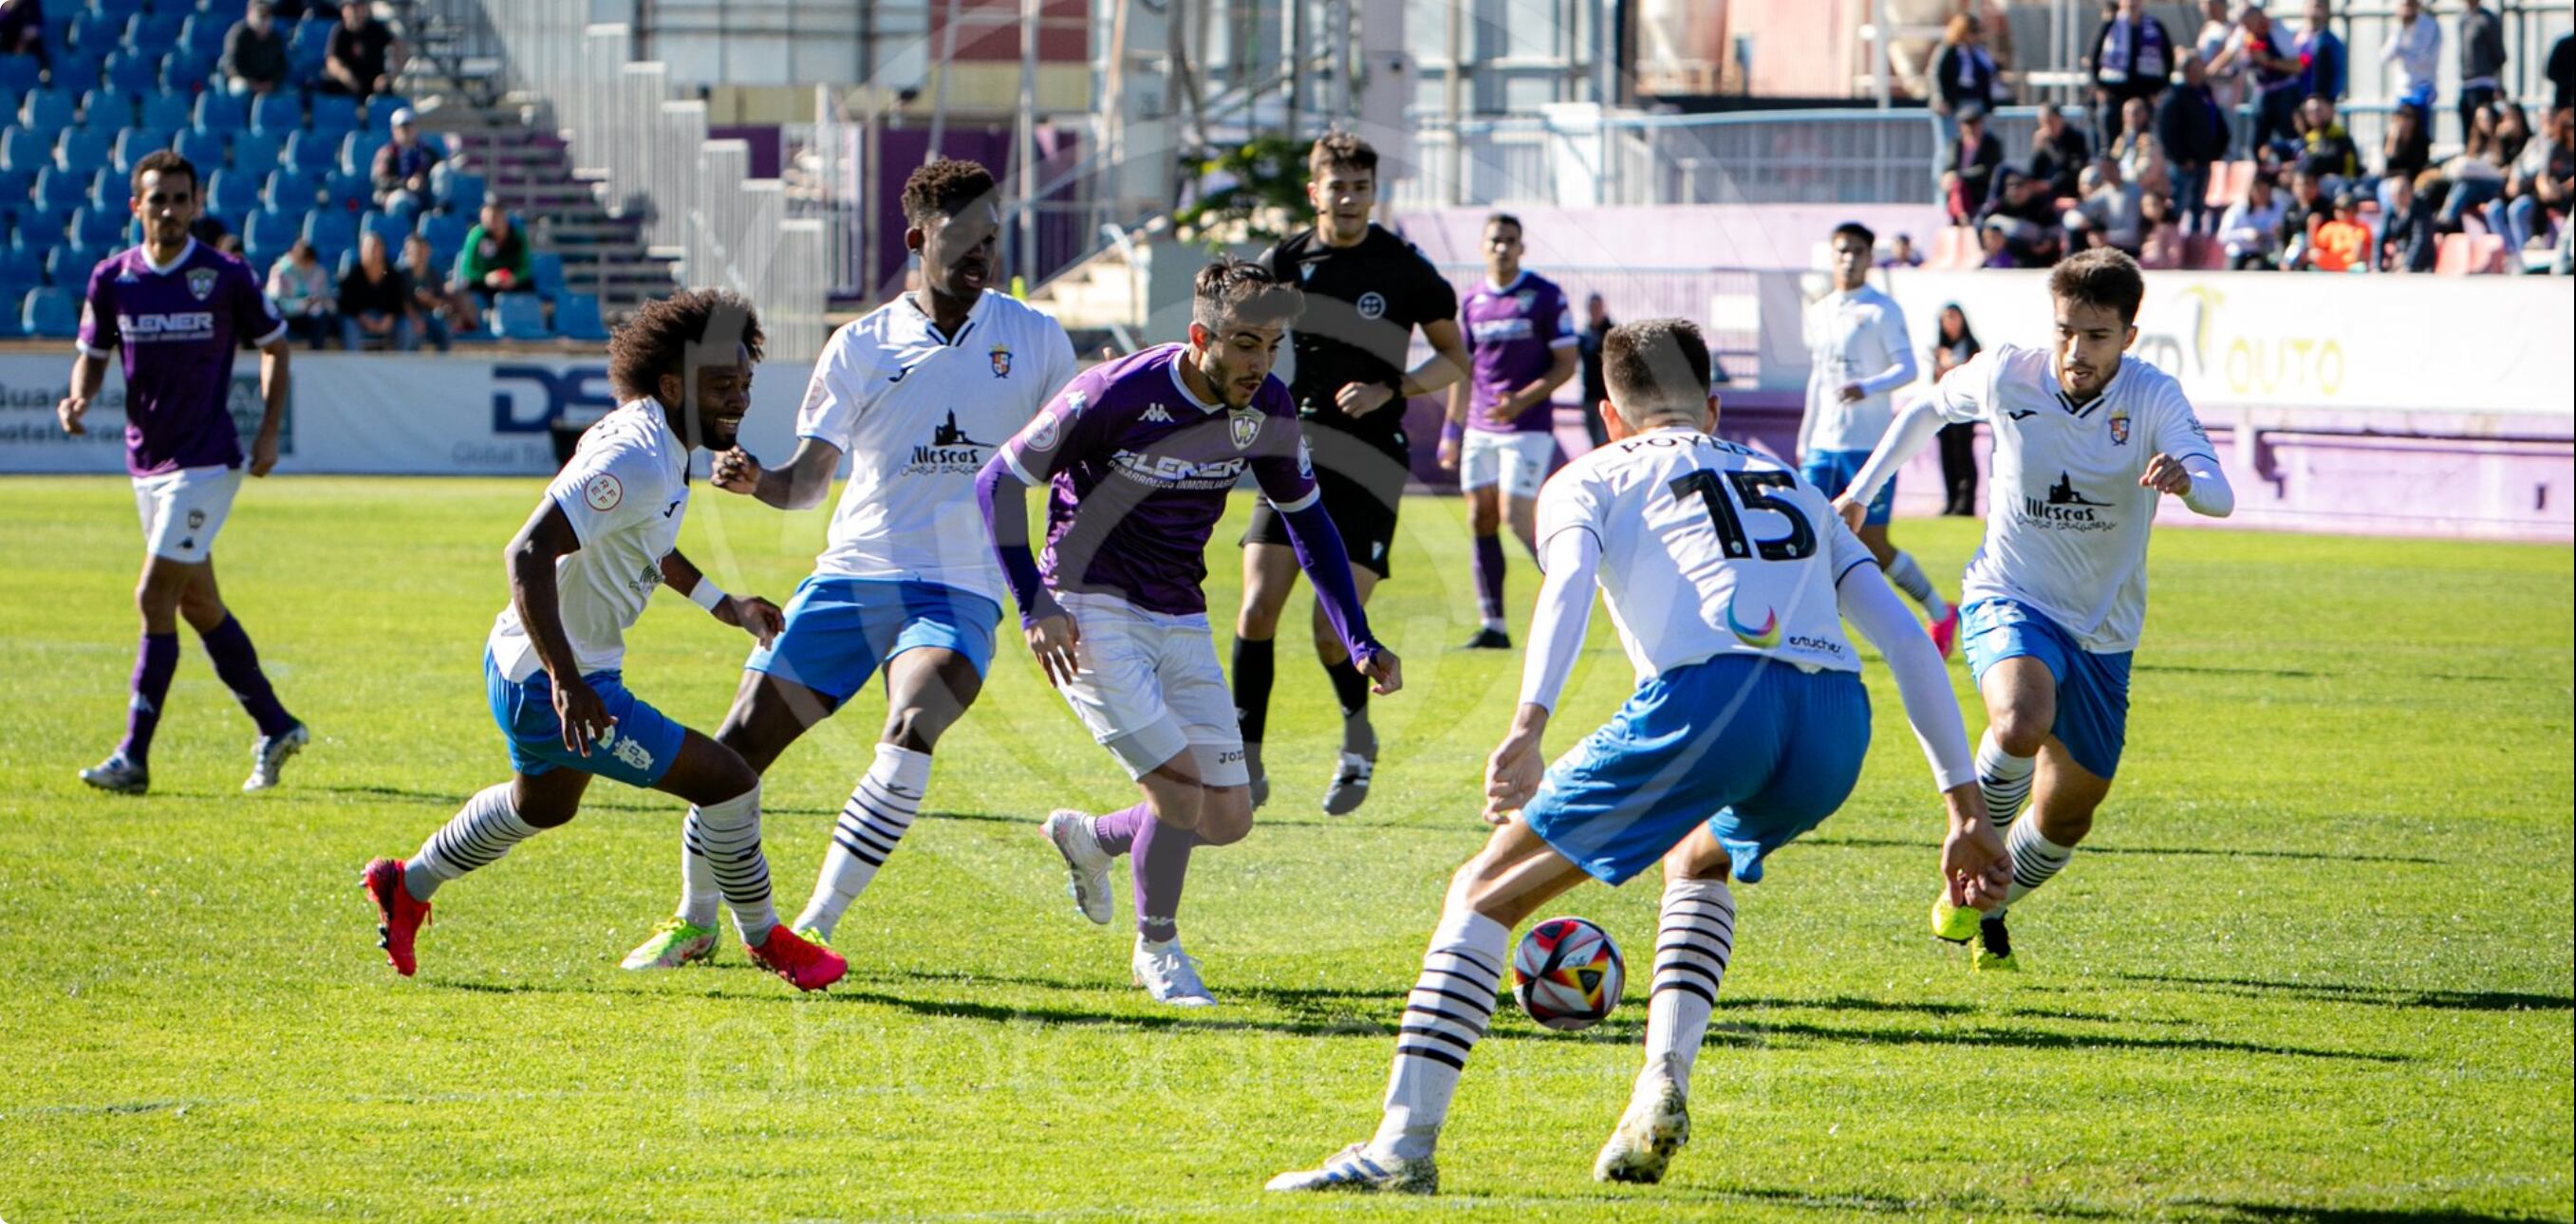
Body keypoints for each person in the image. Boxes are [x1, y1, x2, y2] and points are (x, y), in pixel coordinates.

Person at [1265, 318, 2002, 1196]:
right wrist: (1965, 812)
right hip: (1836, 723)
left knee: (1482, 891)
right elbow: (1911, 643)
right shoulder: (1793, 484)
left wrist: (1530, 723)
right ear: (1715, 408)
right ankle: (1662, 1082)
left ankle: (1401, 1148)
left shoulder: (1591, 476)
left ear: (1609, 415)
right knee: (1699, 854)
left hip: (1710, 703)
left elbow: (1569, 587)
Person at [615, 159, 1077, 972]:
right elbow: (807, 483)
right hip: (853, 575)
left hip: (962, 586)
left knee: (911, 726)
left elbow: (1071, 466)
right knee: (731, 753)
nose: (981, 252)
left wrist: (1054, 587)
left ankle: (815, 923)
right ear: (917, 239)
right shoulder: (860, 344)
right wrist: (761, 483)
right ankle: (695, 920)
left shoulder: (1037, 339)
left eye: (991, 237)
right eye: (961, 236)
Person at [359, 289, 849, 994]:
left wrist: (724, 604)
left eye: (744, 382)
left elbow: (642, 541)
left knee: (544, 806)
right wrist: (567, 681)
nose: (739, 399)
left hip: (521, 662)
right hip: (555, 681)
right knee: (729, 782)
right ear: (673, 384)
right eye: (722, 385)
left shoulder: (657, 438)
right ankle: (767, 938)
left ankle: (408, 883)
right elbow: (527, 551)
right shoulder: (640, 456)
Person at [980, 258, 1401, 1005]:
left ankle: (1091, 838)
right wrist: (1035, 604)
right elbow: (998, 481)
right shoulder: (1114, 392)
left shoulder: (1266, 406)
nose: (1260, 363)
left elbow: (1308, 522)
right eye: (1244, 344)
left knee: (1227, 816)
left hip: (1179, 613)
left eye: (1272, 345)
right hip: (1087, 608)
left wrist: (1358, 634)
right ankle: (1159, 951)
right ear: (1200, 335)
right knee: (1179, 794)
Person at [1833, 249, 2236, 973]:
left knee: (2067, 816)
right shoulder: (2008, 372)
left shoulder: (2152, 396)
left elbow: (2220, 491)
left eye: (2096, 336)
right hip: (2008, 593)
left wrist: (2185, 481)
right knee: (2020, 719)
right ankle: (1969, 830)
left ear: (2129, 337)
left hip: (2106, 631)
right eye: (2065, 331)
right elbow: (1927, 406)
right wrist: (1863, 491)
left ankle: (1989, 902)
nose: (2075, 352)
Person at [1234, 132, 1467, 816]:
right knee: (1254, 608)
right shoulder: (1285, 261)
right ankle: (1245, 760)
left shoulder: (1401, 266)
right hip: (1291, 450)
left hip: (1370, 458)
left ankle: (1358, 739)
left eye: (1361, 188)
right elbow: (1234, 330)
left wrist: (1391, 388)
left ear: (1374, 193)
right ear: (1315, 192)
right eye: (1337, 187)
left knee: (1332, 627)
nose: (1349, 199)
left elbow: (1456, 359)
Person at [60, 151, 304, 797]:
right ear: (136, 206)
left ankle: (133, 758)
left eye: (178, 198)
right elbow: (92, 353)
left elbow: (275, 346)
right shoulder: (114, 278)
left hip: (206, 462)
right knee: (197, 603)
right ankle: (276, 725)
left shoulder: (223, 275)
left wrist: (269, 430)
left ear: (195, 204)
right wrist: (79, 395)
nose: (167, 210)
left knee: (151, 597)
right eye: (155, 199)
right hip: (146, 462)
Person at [1801, 222, 1956, 651]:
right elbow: (1819, 379)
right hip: (1821, 446)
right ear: (1831, 257)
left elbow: (1907, 369)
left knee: (1872, 541)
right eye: (1841, 251)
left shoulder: (1882, 310)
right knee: (1806, 534)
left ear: (1870, 258)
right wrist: (1804, 439)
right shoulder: (1820, 310)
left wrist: (1866, 386)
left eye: (1857, 251)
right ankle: (1811, 632)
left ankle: (1940, 612)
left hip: (1867, 448)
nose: (1848, 259)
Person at [1439, 213, 1577, 649]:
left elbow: (1567, 363)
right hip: (1480, 426)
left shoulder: (1545, 297)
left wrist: (1523, 400)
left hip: (1528, 425)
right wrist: (1451, 429)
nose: (1502, 248)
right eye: (1495, 240)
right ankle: (1493, 625)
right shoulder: (1472, 301)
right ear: (1483, 246)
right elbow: (1463, 368)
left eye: (1510, 241)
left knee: (1516, 517)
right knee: (1479, 516)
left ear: (1522, 248)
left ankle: (1573, 592)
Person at [2159, 52, 2230, 234]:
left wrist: (2218, 148)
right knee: (2179, 202)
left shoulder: (2204, 92)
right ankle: (2172, 241)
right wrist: (2182, 158)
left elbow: (2216, 121)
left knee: (2198, 204)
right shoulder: (2176, 96)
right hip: (2185, 163)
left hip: (2204, 159)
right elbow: (2168, 131)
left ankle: (2195, 242)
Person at [2089, 0, 2175, 144]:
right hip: (2116, 93)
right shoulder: (2110, 26)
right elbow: (2094, 58)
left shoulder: (2155, 27)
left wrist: (2160, 89)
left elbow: (2168, 59)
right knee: (2110, 131)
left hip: (2145, 94)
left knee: (2148, 138)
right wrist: (2100, 87)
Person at [1931, 304, 1983, 516]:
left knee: (1964, 456)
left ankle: (1966, 503)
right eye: (1945, 318)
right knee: (1947, 456)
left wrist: (1949, 365)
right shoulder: (1941, 347)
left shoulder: (1970, 346)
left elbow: (1974, 376)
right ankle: (1951, 500)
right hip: (1944, 409)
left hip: (1965, 410)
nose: (1949, 322)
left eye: (1953, 317)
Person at [2236, 5, 2307, 156]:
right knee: (2256, 142)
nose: (2247, 27)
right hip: (2262, 92)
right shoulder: (2247, 36)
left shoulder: (2278, 33)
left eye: (2250, 23)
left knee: (2289, 137)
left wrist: (2270, 62)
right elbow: (2231, 54)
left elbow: (2300, 64)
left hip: (2284, 92)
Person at [335, 231, 416, 351]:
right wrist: (363, 319)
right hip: (359, 318)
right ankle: (353, 363)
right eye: (371, 248)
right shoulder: (352, 274)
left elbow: (398, 300)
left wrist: (389, 318)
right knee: (349, 325)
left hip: (385, 318)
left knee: (405, 327)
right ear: (362, 250)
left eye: (378, 247)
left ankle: (401, 364)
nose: (375, 252)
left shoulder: (392, 274)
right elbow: (345, 303)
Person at [2380, 0, 2439, 136]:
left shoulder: (2430, 26)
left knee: (2420, 133)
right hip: (2402, 90)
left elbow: (2426, 59)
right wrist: (2401, 29)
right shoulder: (2397, 28)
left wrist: (2403, 53)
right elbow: (2385, 56)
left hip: (2423, 88)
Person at [264, 238, 336, 349]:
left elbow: (326, 297)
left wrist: (319, 302)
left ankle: (317, 355)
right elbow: (275, 302)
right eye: (305, 263)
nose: (308, 267)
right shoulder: (280, 271)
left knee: (321, 318)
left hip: (311, 316)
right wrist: (299, 305)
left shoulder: (318, 270)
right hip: (288, 317)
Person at [454, 200, 532, 302]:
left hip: (511, 282)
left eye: (494, 217)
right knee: (466, 288)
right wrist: (486, 277)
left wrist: (514, 278)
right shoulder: (476, 236)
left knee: (528, 286)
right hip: (485, 283)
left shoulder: (518, 237)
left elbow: (525, 267)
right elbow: (468, 269)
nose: (490, 222)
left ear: (504, 217)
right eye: (485, 219)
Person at [321, 0, 399, 101]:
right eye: (351, 8)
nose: (355, 12)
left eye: (358, 7)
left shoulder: (376, 29)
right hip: (349, 82)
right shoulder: (339, 31)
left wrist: (390, 75)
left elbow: (398, 46)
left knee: (386, 91)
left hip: (374, 82)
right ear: (344, 11)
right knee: (330, 88)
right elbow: (331, 61)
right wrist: (345, 76)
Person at [370, 108, 441, 212]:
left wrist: (421, 179)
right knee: (401, 199)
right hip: (394, 196)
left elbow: (437, 168)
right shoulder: (387, 153)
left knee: (443, 169)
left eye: (409, 127)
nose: (406, 131)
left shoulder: (427, 152)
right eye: (401, 128)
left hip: (422, 197)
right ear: (393, 130)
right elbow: (380, 181)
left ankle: (439, 209)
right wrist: (406, 183)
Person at [1943, 104, 2005, 224]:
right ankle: (1961, 215)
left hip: (1981, 189)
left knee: (1958, 184)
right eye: (1967, 124)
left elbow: (1990, 169)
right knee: (1957, 185)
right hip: (1959, 189)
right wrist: (1947, 176)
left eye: (1974, 124)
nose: (1971, 128)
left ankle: (1961, 216)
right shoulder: (1956, 144)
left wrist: (1960, 176)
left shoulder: (1991, 144)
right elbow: (1950, 166)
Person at [2457, 0, 2507, 143]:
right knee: (2468, 132)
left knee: (2484, 127)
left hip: (2483, 82)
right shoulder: (2463, 18)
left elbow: (2499, 54)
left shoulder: (2488, 19)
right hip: (2466, 82)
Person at [401, 232, 459, 350]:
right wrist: (415, 320)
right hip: (405, 317)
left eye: (423, 250)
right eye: (416, 251)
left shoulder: (432, 274)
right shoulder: (401, 274)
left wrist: (429, 299)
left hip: (428, 316)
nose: (420, 254)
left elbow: (441, 303)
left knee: (443, 330)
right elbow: (400, 301)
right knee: (410, 332)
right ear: (407, 252)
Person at [2219, 169, 2287, 269]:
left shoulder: (2278, 208)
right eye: (2258, 191)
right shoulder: (2238, 209)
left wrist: (2276, 233)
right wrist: (2245, 234)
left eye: (2265, 191)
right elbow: (2222, 236)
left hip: (2265, 253)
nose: (2262, 195)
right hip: (2239, 252)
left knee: (2259, 267)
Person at [220, 1, 287, 96]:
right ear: (250, 15)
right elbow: (232, 64)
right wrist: (252, 83)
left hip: (267, 82)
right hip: (241, 79)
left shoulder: (275, 38)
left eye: (267, 16)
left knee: (286, 92)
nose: (264, 21)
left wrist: (271, 82)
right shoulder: (237, 34)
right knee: (241, 91)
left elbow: (281, 64)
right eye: (260, 15)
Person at [2028, 103, 2093, 201]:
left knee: (2061, 178)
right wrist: (2037, 148)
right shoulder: (2042, 138)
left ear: (2060, 119)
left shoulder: (2075, 137)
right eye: (2043, 123)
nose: (2046, 126)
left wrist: (2050, 146)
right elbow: (2034, 170)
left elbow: (2066, 165)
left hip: (2067, 183)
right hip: (2045, 182)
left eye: (2050, 122)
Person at [2112, 96, 2173, 199]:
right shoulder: (2122, 139)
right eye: (2127, 113)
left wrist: (2122, 180)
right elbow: (2114, 161)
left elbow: (2146, 170)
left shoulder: (2150, 138)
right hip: (2124, 187)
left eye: (2135, 113)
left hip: (2146, 192)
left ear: (2144, 115)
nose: (2130, 117)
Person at [1576, 292, 1615, 450]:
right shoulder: (1584, 335)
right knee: (1593, 440)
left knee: (1605, 440)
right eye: (1592, 308)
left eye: (1597, 307)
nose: (1594, 311)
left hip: (1607, 396)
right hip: (1589, 396)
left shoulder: (1612, 332)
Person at [2299, 95, 2361, 181]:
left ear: (2330, 110)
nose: (2315, 115)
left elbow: (2350, 166)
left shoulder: (2340, 136)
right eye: (2310, 112)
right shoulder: (2307, 139)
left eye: (2319, 110)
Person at [2307, 190, 2371, 271]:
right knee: (2314, 254)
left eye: (2345, 209)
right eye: (2338, 209)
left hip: (2350, 265)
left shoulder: (2361, 227)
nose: (2340, 213)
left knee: (2360, 265)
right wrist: (2312, 228)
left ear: (2355, 210)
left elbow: (2359, 251)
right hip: (2331, 262)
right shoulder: (2331, 227)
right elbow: (2315, 246)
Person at [2296, 0, 2346, 102]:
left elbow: (2339, 72)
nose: (2315, 9)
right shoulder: (2295, 39)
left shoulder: (2331, 42)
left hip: (2320, 104)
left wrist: (2329, 99)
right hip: (2297, 102)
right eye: (2312, 5)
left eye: (2319, 6)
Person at [2137, 191, 2188, 269]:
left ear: (2163, 205)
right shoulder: (2146, 229)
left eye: (2155, 205)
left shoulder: (2170, 228)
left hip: (2163, 271)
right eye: (2146, 206)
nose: (2151, 209)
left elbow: (2175, 253)